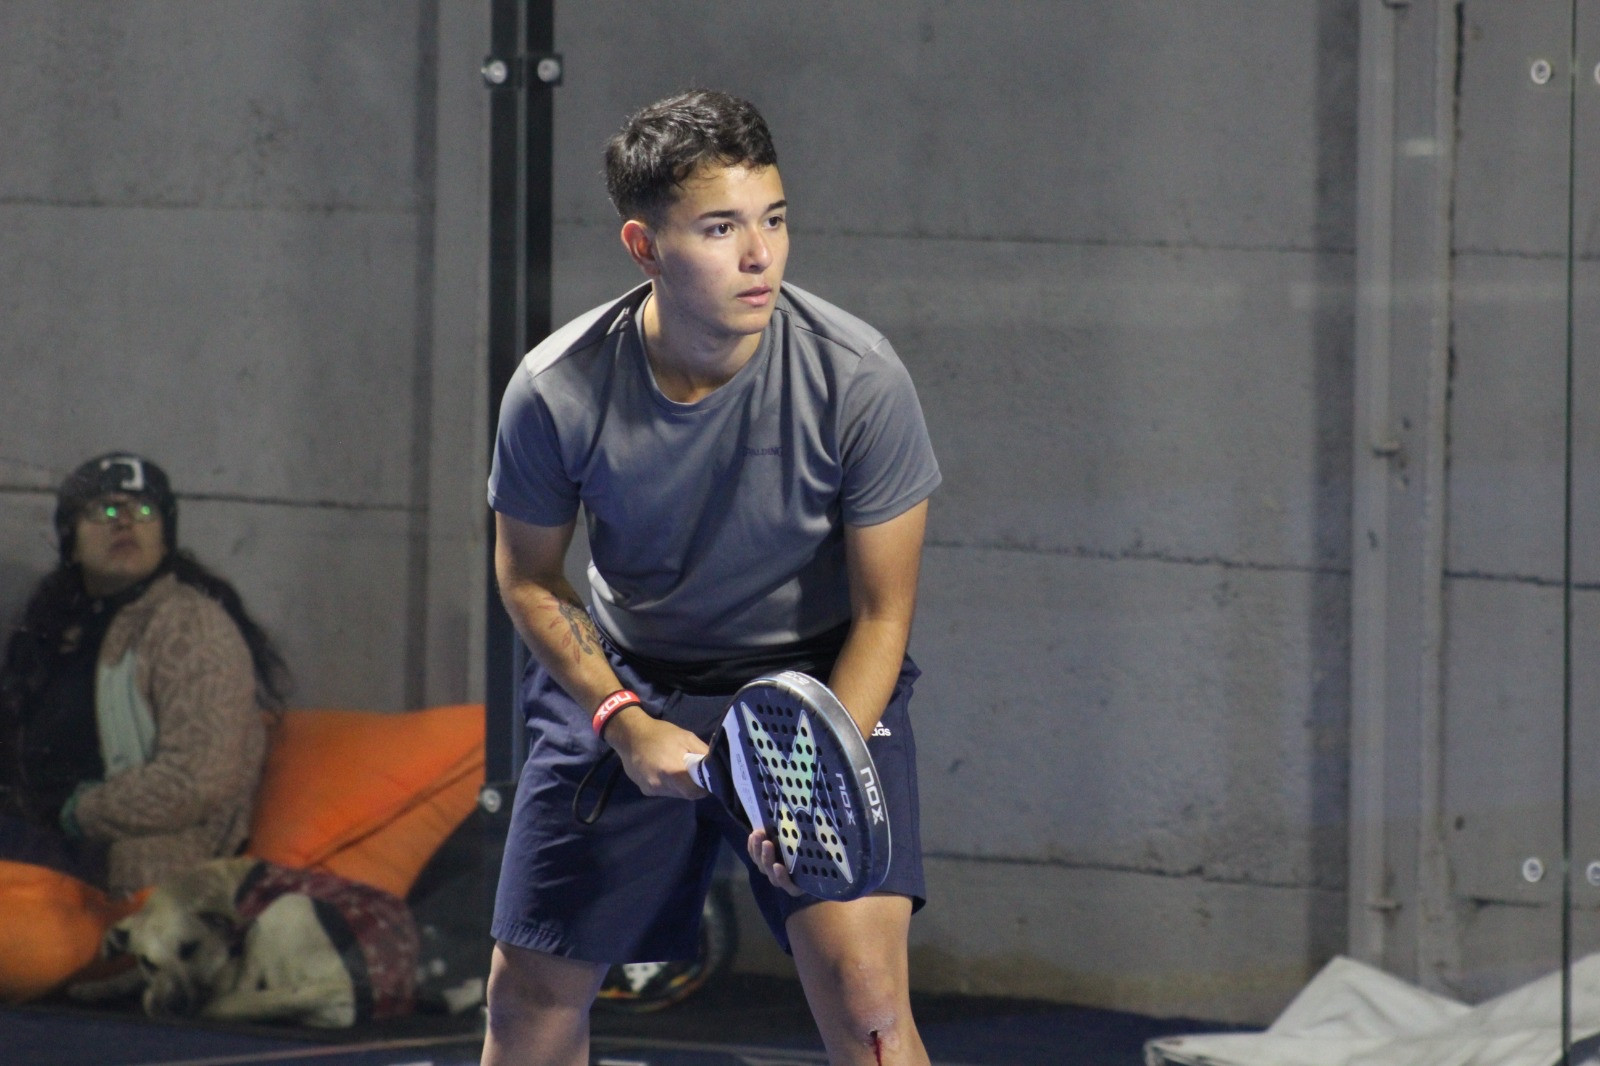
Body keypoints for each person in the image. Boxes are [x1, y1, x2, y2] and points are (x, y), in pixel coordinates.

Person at [482, 89, 940, 1066]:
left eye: (774, 218)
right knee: (527, 996)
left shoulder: (862, 378)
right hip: (629, 677)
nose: (760, 254)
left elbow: (882, 614)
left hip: (818, 685)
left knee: (866, 997)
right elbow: (529, 577)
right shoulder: (555, 389)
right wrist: (622, 720)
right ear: (644, 246)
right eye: (721, 227)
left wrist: (810, 775)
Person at [0, 453, 291, 897]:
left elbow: (194, 782)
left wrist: (74, 811)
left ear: (165, 538)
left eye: (143, 510)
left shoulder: (189, 625)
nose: (124, 522)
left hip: (130, 863)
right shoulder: (58, 633)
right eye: (104, 510)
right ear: (72, 543)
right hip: (42, 839)